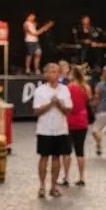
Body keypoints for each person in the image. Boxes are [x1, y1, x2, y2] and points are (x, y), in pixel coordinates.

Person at [33, 62, 72, 198]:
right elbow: (36, 111)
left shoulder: (64, 90)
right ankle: (42, 186)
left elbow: (68, 110)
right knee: (43, 158)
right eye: (51, 72)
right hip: (44, 130)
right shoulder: (40, 91)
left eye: (56, 72)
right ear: (46, 74)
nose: (53, 74)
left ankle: (54, 186)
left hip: (60, 129)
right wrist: (50, 104)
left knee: (57, 158)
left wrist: (60, 104)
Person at [66, 65, 92, 187]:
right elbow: (89, 101)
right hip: (82, 121)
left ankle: (65, 177)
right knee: (80, 151)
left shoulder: (69, 87)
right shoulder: (85, 88)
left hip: (69, 121)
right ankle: (82, 177)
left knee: (67, 151)